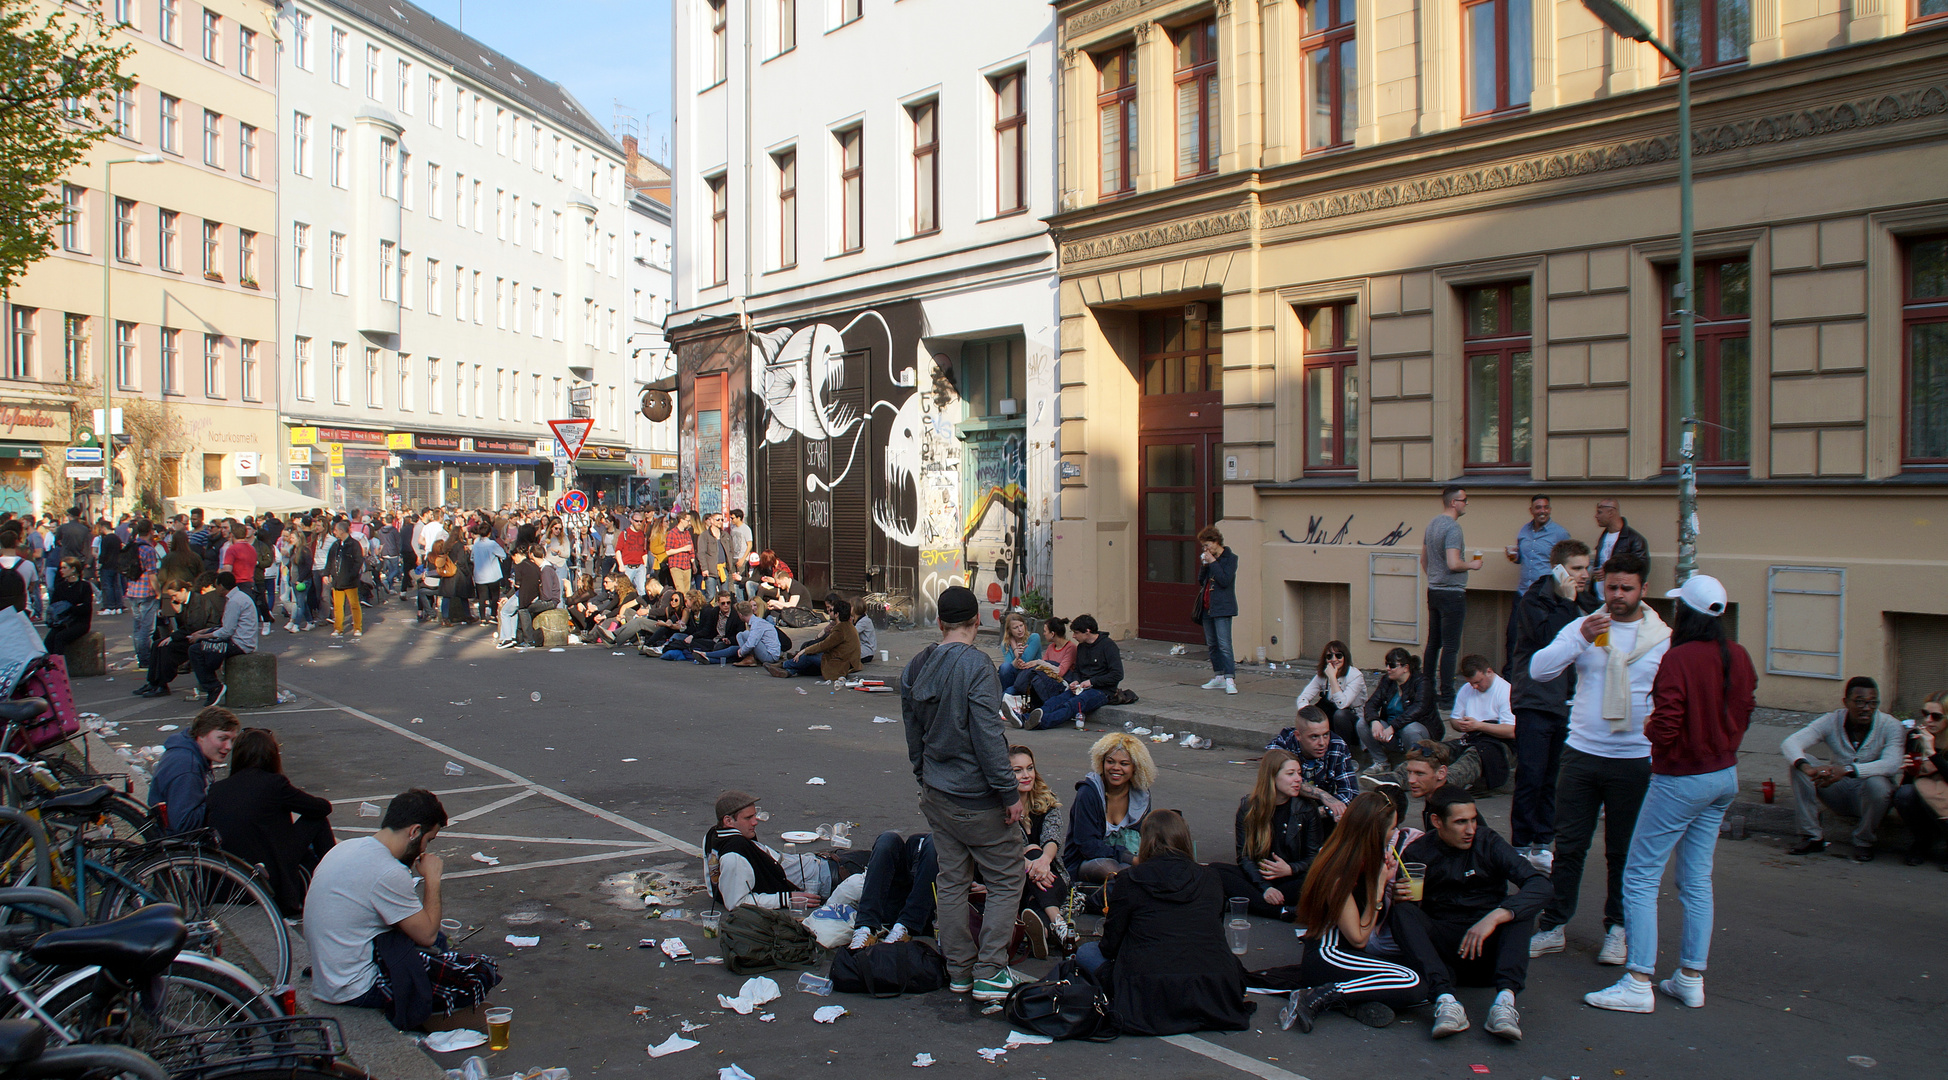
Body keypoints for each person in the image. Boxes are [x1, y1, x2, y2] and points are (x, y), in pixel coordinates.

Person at [1585, 575, 1754, 1013]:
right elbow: (1745, 708)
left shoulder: (1679, 659)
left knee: (1640, 876)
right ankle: (1690, 977)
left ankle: (1639, 980)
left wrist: (1652, 731)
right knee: (1696, 879)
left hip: (1681, 777)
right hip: (1723, 774)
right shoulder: (1737, 655)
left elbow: (1668, 718)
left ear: (1686, 614)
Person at [1527, 552, 1669, 966]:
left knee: (1623, 851)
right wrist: (1580, 638)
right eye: (1612, 588)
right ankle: (1554, 925)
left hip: (1635, 758)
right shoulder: (1585, 627)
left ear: (1643, 590)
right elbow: (1538, 670)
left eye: (1628, 588)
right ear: (1602, 587)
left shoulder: (1662, 638)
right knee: (1568, 845)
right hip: (1584, 752)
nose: (1619, 595)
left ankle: (1618, 929)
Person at [899, 584, 1025, 1002]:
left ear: (940, 623)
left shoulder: (916, 667)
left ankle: (960, 970)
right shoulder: (978, 666)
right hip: (977, 797)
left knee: (952, 879)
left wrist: (924, 777)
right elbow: (989, 737)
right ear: (978, 622)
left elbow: (913, 736)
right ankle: (990, 970)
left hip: (937, 793)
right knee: (1007, 876)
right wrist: (1010, 794)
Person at [303, 789, 501, 1030]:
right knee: (475, 972)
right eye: (428, 840)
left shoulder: (345, 848)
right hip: (354, 988)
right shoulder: (387, 871)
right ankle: (431, 1016)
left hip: (327, 980)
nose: (424, 850)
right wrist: (433, 878)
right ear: (414, 832)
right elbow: (426, 935)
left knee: (432, 943)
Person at [1075, 810, 1253, 1036]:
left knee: (1087, 952)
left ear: (1146, 843)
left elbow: (1109, 946)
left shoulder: (1130, 880)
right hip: (1211, 983)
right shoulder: (1211, 878)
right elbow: (1213, 931)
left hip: (1148, 987)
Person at [1391, 787, 1549, 1040]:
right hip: (1445, 952)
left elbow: (1540, 884)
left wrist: (1498, 914)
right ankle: (1445, 1001)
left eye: (1473, 820)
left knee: (1519, 909)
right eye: (1460, 822)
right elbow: (1412, 914)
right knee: (1402, 912)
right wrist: (1401, 896)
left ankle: (1505, 1003)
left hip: (1490, 950)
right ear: (1437, 822)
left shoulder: (1488, 842)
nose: (1470, 830)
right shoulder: (1417, 854)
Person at [1279, 792, 1429, 1034]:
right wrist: (1379, 889)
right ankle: (1318, 996)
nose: (1396, 833)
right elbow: (1358, 938)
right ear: (1374, 832)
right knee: (1412, 981)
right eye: (1392, 828)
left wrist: (1390, 887)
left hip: (1347, 953)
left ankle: (1350, 1002)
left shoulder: (1368, 858)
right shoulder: (1339, 871)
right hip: (1329, 954)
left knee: (1427, 980)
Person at [1508, 538, 1598, 869]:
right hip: (1536, 700)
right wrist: (1567, 602)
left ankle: (1542, 842)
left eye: (1587, 567)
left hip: (1568, 700)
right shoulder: (1536, 598)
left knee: (1553, 776)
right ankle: (1520, 844)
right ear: (1559, 569)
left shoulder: (1586, 600)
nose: (1584, 574)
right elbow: (1549, 639)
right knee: (1531, 774)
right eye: (1577, 568)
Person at [205, 728, 336, 916]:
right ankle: (333, 882)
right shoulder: (274, 784)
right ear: (271, 756)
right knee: (316, 821)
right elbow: (322, 808)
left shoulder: (218, 789)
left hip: (228, 876)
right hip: (265, 872)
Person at [1780, 676, 1905, 862]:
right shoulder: (1832, 720)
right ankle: (1812, 836)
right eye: (1860, 702)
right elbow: (1790, 742)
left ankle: (1864, 841)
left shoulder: (1891, 725)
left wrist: (1847, 769)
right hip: (1836, 790)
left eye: (1873, 703)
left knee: (1878, 784)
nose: (1867, 708)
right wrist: (1806, 768)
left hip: (1869, 797)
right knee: (1798, 765)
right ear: (1846, 702)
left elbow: (1892, 764)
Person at [1222, 749, 1331, 920]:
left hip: (1293, 879)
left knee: (1324, 878)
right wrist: (1266, 888)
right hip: (1260, 879)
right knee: (1215, 871)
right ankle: (1281, 911)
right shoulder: (1249, 807)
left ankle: (1251, 903)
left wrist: (1290, 869)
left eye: (1299, 773)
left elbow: (1314, 857)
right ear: (1272, 776)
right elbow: (1244, 856)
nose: (1298, 779)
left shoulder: (1306, 809)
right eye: (1290, 774)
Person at [703, 791, 837, 911]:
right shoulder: (734, 853)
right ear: (728, 821)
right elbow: (736, 903)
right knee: (856, 877)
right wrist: (786, 899)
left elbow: (712, 883)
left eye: (754, 816)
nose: (755, 822)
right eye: (748, 818)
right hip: (821, 877)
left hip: (817, 865)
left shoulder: (712, 835)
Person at [1008, 745, 1077, 957]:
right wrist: (1030, 862)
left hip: (1050, 876)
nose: (1026, 775)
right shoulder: (1000, 808)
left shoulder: (1047, 800)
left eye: (1029, 768)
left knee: (1037, 852)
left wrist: (1044, 860)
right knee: (1031, 851)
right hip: (1016, 877)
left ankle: (1045, 930)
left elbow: (1052, 837)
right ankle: (1056, 925)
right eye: (1017, 771)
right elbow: (1009, 848)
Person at [1062, 731, 1154, 886]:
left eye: (1124, 764)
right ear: (1101, 762)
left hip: (1130, 861)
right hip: (1089, 862)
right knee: (1111, 869)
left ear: (1135, 768)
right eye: (1110, 762)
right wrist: (1129, 859)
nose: (1116, 768)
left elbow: (1145, 837)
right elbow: (1087, 845)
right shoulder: (1088, 793)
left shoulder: (1141, 796)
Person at [1422, 485, 1482, 708]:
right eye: (1464, 500)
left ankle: (1425, 690)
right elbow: (1453, 563)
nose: (1467, 503)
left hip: (1434, 590)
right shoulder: (1453, 529)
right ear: (1453, 503)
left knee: (1433, 643)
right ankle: (1447, 695)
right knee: (1450, 646)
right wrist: (1473, 565)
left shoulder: (1432, 524)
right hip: (1452, 594)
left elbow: (1424, 560)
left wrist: (1435, 579)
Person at [147, 706, 240, 833]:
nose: (229, 746)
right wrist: (219, 799)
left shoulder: (188, 752)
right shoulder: (187, 769)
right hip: (176, 845)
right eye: (222, 738)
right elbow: (183, 824)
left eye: (232, 740)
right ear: (201, 735)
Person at [1020, 614, 1122, 730]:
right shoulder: (1082, 647)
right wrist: (1076, 680)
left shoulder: (1108, 646)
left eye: (1076, 633)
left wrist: (1092, 681)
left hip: (1102, 690)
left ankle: (1042, 722)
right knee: (1057, 700)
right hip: (1081, 686)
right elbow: (1078, 670)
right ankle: (1026, 718)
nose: (1073, 636)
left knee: (1075, 703)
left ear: (1087, 632)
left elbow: (1117, 674)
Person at [1503, 494, 1571, 663]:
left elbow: (1567, 563)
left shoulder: (1560, 533)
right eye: (1538, 507)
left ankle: (1540, 674)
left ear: (1550, 510)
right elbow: (1521, 558)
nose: (1543, 511)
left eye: (1546, 507)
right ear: (1531, 510)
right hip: (1523, 593)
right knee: (1513, 636)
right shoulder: (1524, 531)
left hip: (1544, 595)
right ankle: (1511, 678)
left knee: (1542, 637)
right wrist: (1514, 557)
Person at [845, 831, 938, 951]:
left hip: (927, 910)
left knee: (936, 842)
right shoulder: (915, 841)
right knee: (888, 839)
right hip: (898, 904)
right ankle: (865, 928)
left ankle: (904, 929)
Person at [1266, 705, 1360, 813]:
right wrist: (1322, 795)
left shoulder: (1337, 745)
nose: (1322, 743)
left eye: (1326, 735)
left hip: (1323, 813)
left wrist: (1319, 812)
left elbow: (1350, 793)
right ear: (1298, 735)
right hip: (1285, 811)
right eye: (1314, 736)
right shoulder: (1282, 746)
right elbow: (1282, 782)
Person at [1358, 648, 1440, 769]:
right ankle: (1381, 762)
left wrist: (1393, 726)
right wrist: (1374, 721)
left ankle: (1414, 765)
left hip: (1418, 733)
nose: (1388, 669)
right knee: (1362, 723)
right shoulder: (1387, 681)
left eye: (1392, 665)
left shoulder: (1421, 682)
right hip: (1392, 734)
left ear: (1405, 668)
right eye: (1387, 664)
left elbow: (1417, 709)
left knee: (1410, 729)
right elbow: (1371, 704)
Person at [1446, 655, 1516, 792]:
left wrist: (1479, 726)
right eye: (1471, 683)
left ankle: (1442, 782)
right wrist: (1460, 725)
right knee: (1432, 750)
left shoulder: (1505, 691)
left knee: (1473, 756)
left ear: (1488, 672)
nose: (1475, 686)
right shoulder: (1467, 689)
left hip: (1498, 743)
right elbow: (1454, 720)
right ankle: (1396, 779)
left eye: (1478, 682)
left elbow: (1511, 731)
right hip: (1472, 738)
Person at [1894, 693, 1948, 869]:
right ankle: (1922, 840)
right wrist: (1910, 769)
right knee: (1904, 795)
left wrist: (1932, 753)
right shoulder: (1915, 736)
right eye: (1925, 713)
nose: (1928, 720)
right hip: (1925, 790)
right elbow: (1907, 782)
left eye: (1936, 716)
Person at [187, 572, 258, 705]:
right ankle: (213, 682)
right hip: (238, 640)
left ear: (221, 586)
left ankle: (213, 686)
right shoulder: (239, 597)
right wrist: (203, 632)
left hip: (239, 644)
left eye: (216, 586)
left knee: (195, 650)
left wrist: (201, 637)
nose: (215, 589)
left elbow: (226, 631)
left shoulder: (235, 602)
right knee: (204, 646)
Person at [1193, 526, 1239, 695]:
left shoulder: (1230, 558)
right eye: (1203, 546)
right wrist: (1205, 565)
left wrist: (1212, 561)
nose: (1206, 549)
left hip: (1223, 607)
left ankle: (1229, 678)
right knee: (1212, 645)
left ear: (1216, 542)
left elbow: (1225, 580)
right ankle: (1218, 676)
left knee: (1224, 644)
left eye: (1207, 545)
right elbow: (1201, 581)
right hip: (1208, 607)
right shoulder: (1209, 559)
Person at [1296, 640, 1366, 750]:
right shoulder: (1322, 675)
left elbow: (1342, 704)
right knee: (1313, 714)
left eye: (1338, 655)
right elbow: (1303, 698)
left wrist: (1332, 678)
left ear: (1345, 657)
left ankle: (1344, 753)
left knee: (1340, 715)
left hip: (1352, 721)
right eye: (1329, 656)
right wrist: (1307, 714)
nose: (1334, 659)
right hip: (1331, 718)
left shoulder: (1355, 676)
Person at [770, 596, 862, 679]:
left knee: (808, 657)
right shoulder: (848, 626)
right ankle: (789, 671)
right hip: (846, 660)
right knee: (810, 661)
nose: (829, 613)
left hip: (842, 663)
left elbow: (823, 645)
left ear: (837, 614)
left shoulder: (840, 629)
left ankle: (784, 665)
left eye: (831, 611)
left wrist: (804, 651)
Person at [1002, 616, 1074, 720]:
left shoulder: (1070, 648)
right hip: (1032, 678)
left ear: (1052, 634)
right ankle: (1007, 710)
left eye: (1045, 631)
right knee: (1006, 672)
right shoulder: (1050, 647)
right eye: (1015, 627)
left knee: (1010, 691)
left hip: (1055, 682)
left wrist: (1036, 662)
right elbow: (1041, 666)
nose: (1043, 633)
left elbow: (1059, 670)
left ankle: (1007, 710)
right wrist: (1014, 648)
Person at [1590, 498, 1649, 600]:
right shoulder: (1603, 536)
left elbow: (1641, 568)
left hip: (1619, 597)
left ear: (1611, 512)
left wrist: (1611, 571)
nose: (1596, 516)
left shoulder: (1634, 539)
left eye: (1599, 512)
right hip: (1598, 596)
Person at [695, 600, 779, 666]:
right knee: (736, 645)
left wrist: (741, 652)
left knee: (745, 635)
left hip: (770, 655)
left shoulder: (757, 624)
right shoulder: (755, 622)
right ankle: (708, 657)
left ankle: (706, 654)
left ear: (740, 614)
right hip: (763, 650)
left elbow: (751, 643)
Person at [124, 519, 162, 667]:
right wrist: (158, 592)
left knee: (137, 626)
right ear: (151, 531)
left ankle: (141, 656)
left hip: (133, 590)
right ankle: (145, 659)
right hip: (146, 592)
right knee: (147, 629)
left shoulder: (131, 546)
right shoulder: (148, 549)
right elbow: (152, 574)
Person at [42, 556, 93, 656]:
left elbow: (86, 608)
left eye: (64, 568)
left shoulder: (84, 586)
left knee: (60, 638)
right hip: (63, 621)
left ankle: (60, 667)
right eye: (61, 568)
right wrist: (73, 607)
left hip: (79, 622)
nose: (61, 571)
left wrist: (68, 608)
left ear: (73, 569)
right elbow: (54, 606)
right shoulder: (61, 586)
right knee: (48, 640)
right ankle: (48, 666)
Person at [323, 520, 365, 639]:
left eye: (335, 530)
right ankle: (338, 628)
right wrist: (326, 574)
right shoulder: (335, 545)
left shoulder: (354, 544)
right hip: (337, 581)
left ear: (342, 531)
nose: (334, 532)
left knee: (354, 605)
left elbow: (358, 562)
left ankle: (357, 627)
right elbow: (330, 560)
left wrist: (351, 575)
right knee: (338, 606)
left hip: (350, 581)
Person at [469, 526, 506, 626]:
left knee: (482, 597)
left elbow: (472, 558)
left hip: (480, 574)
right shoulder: (492, 544)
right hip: (492, 574)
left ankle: (483, 618)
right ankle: (493, 615)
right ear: (489, 533)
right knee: (494, 595)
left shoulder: (476, 545)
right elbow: (503, 555)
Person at [995, 612, 1043, 689]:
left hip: (1030, 672)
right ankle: (1007, 695)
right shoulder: (1005, 644)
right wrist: (1016, 657)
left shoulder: (1034, 637)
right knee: (1004, 667)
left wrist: (1014, 646)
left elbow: (1025, 660)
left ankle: (1007, 695)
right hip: (1015, 674)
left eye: (1021, 625)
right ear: (1009, 630)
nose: (1020, 630)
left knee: (1009, 691)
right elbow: (1009, 664)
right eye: (1015, 628)